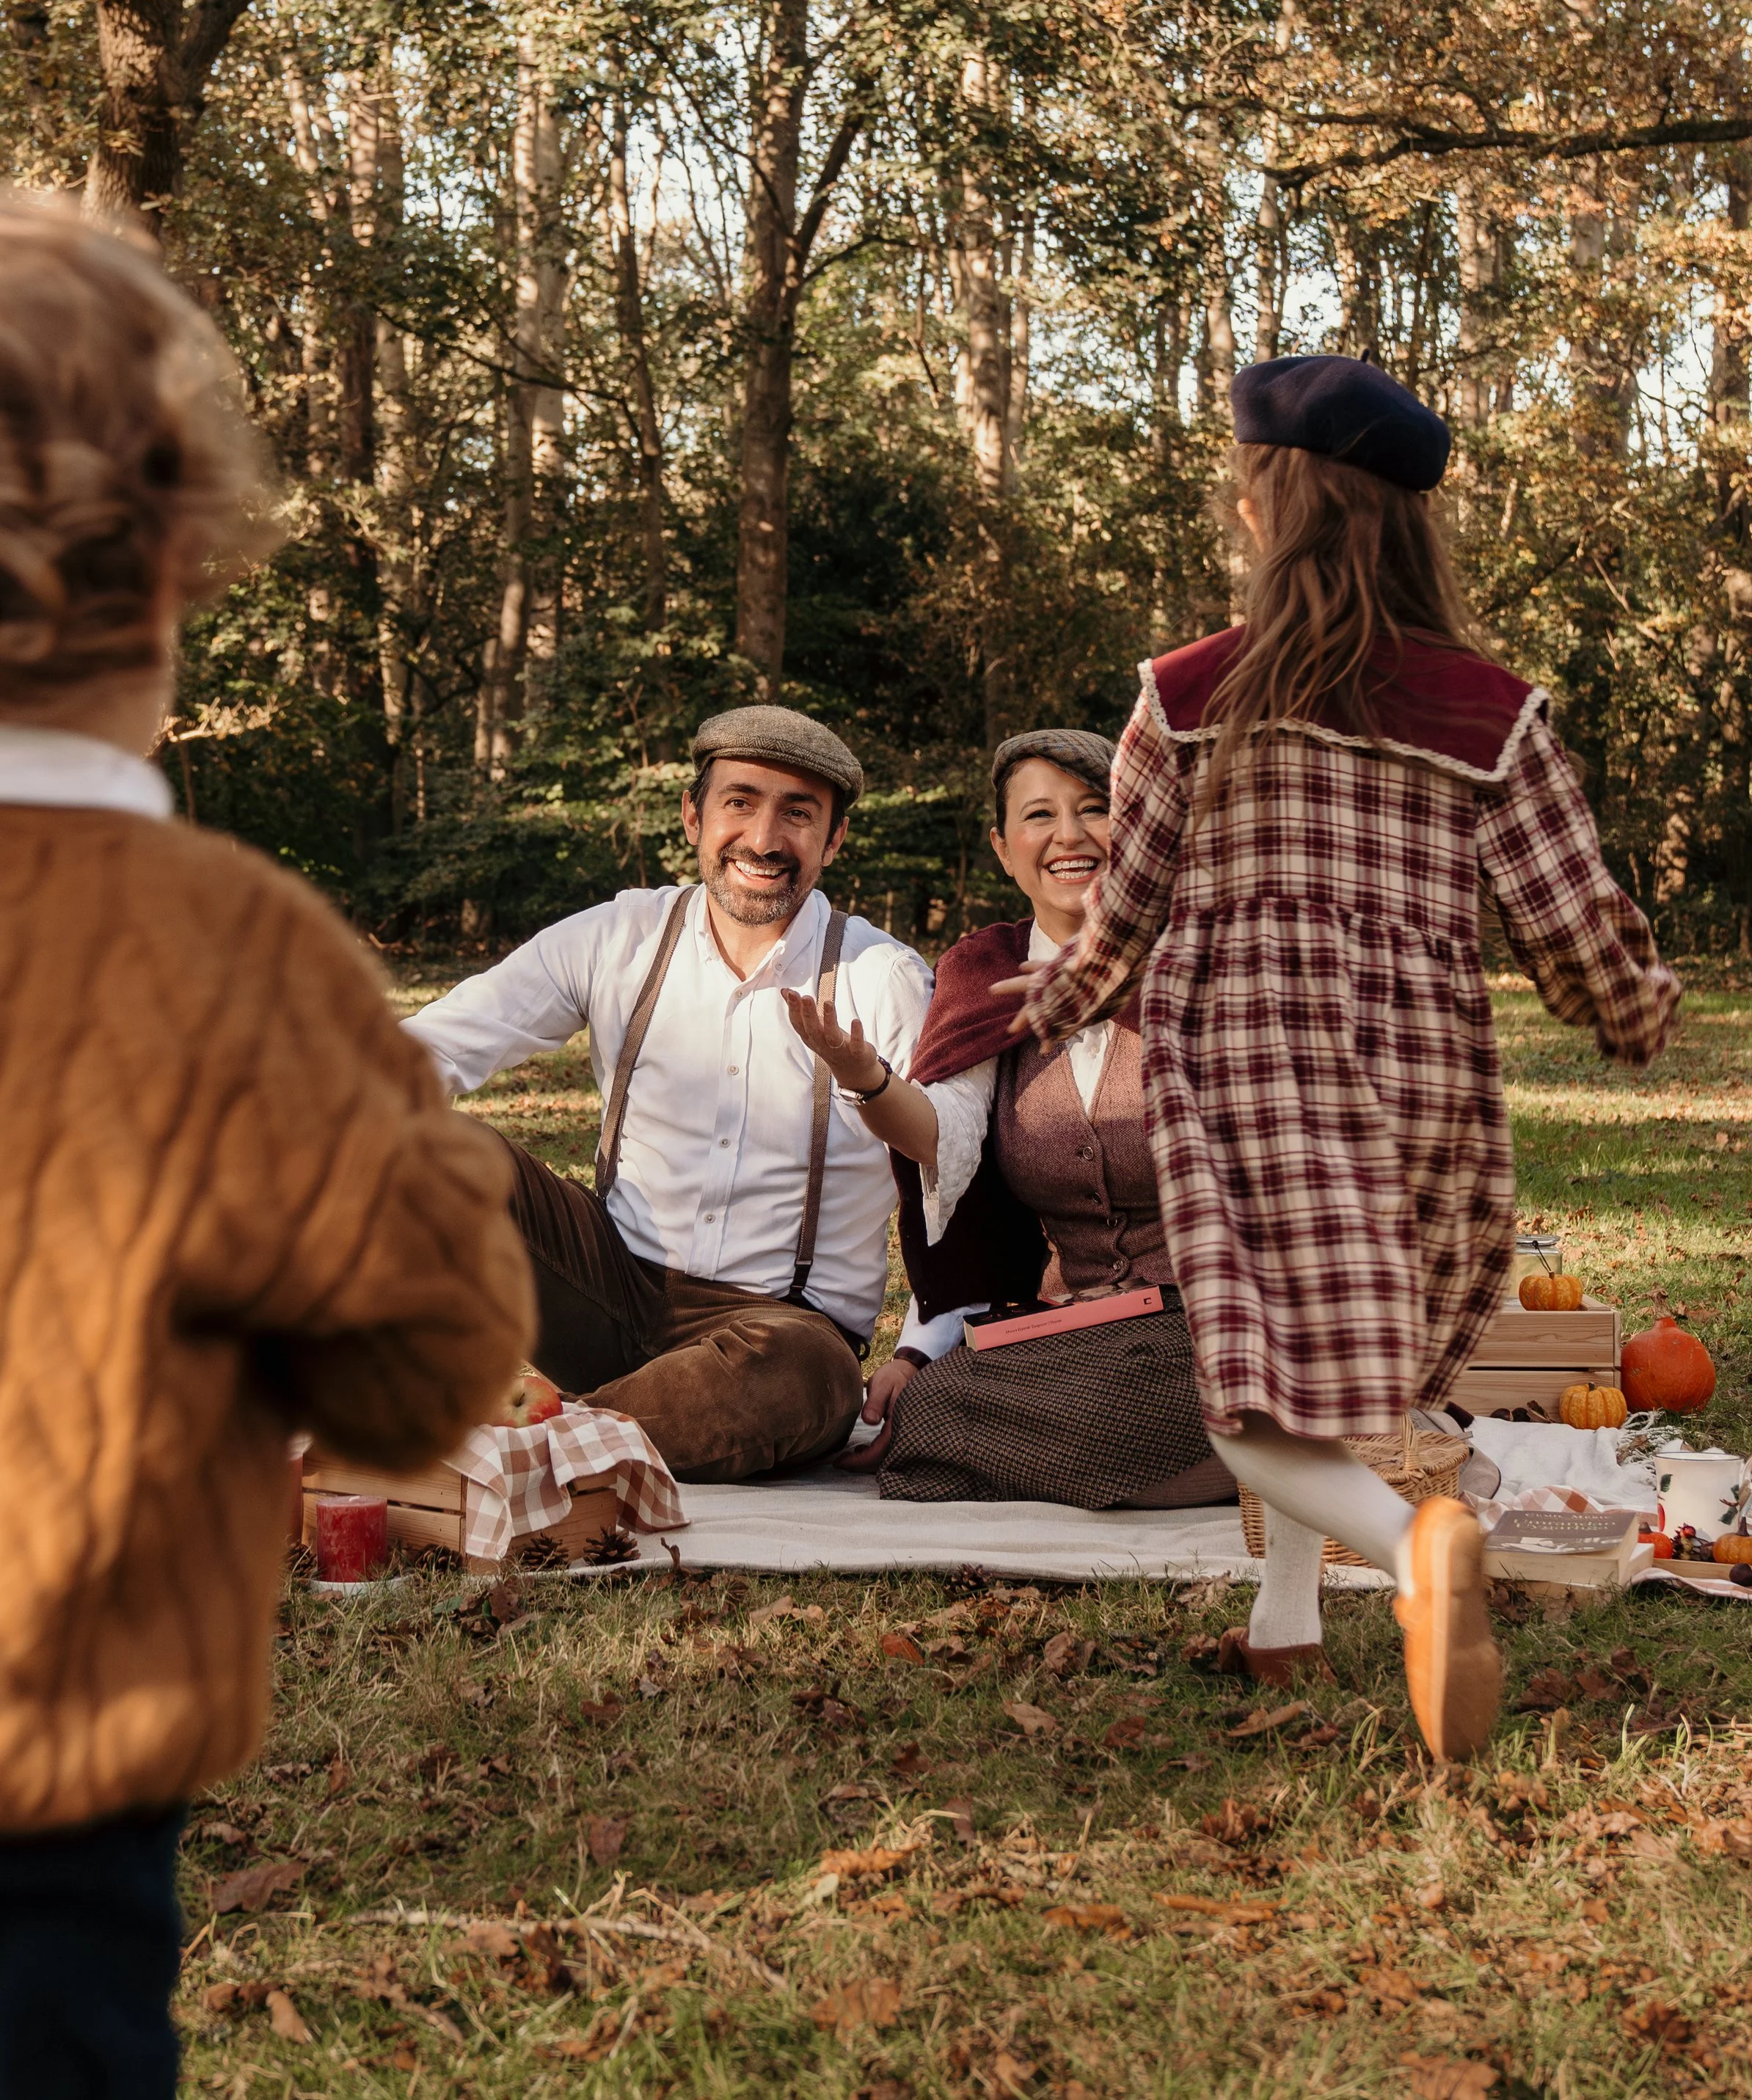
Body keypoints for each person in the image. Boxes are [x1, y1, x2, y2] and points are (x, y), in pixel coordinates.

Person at [0, 203, 534, 2100]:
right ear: (171, 562)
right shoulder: (235, 954)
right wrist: (410, 1141)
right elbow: (421, 1369)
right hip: (51, 1802)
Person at [1013, 354, 1679, 1760]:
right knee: (1349, 1371)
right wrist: (1636, 1009)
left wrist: (1033, 1008)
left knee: (1251, 1387)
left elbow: (1122, 913)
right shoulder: (1489, 712)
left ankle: (1413, 1546)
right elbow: (1575, 931)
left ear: (1272, 506)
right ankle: (1284, 1621)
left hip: (1247, 1072)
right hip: (1422, 1089)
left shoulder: (1190, 697)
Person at [406, 709, 932, 1481]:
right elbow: (445, 1040)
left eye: (797, 813)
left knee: (806, 1377)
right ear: (694, 815)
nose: (761, 839)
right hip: (606, 1285)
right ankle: (577, 1433)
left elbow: (947, 1170)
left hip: (777, 1328)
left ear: (834, 839)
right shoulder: (619, 936)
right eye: (740, 802)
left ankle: (525, 1435)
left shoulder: (879, 977)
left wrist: (920, 1345)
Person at [783, 730, 1232, 1510]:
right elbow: (947, 1139)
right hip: (1078, 1331)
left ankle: (1241, 1455)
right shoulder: (982, 969)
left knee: (1162, 1398)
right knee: (929, 1413)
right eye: (1039, 815)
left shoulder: (1207, 960)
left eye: (1096, 810)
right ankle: (1222, 1469)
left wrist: (1120, 995)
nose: (1068, 836)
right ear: (1002, 847)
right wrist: (867, 1081)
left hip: (1224, 1320)